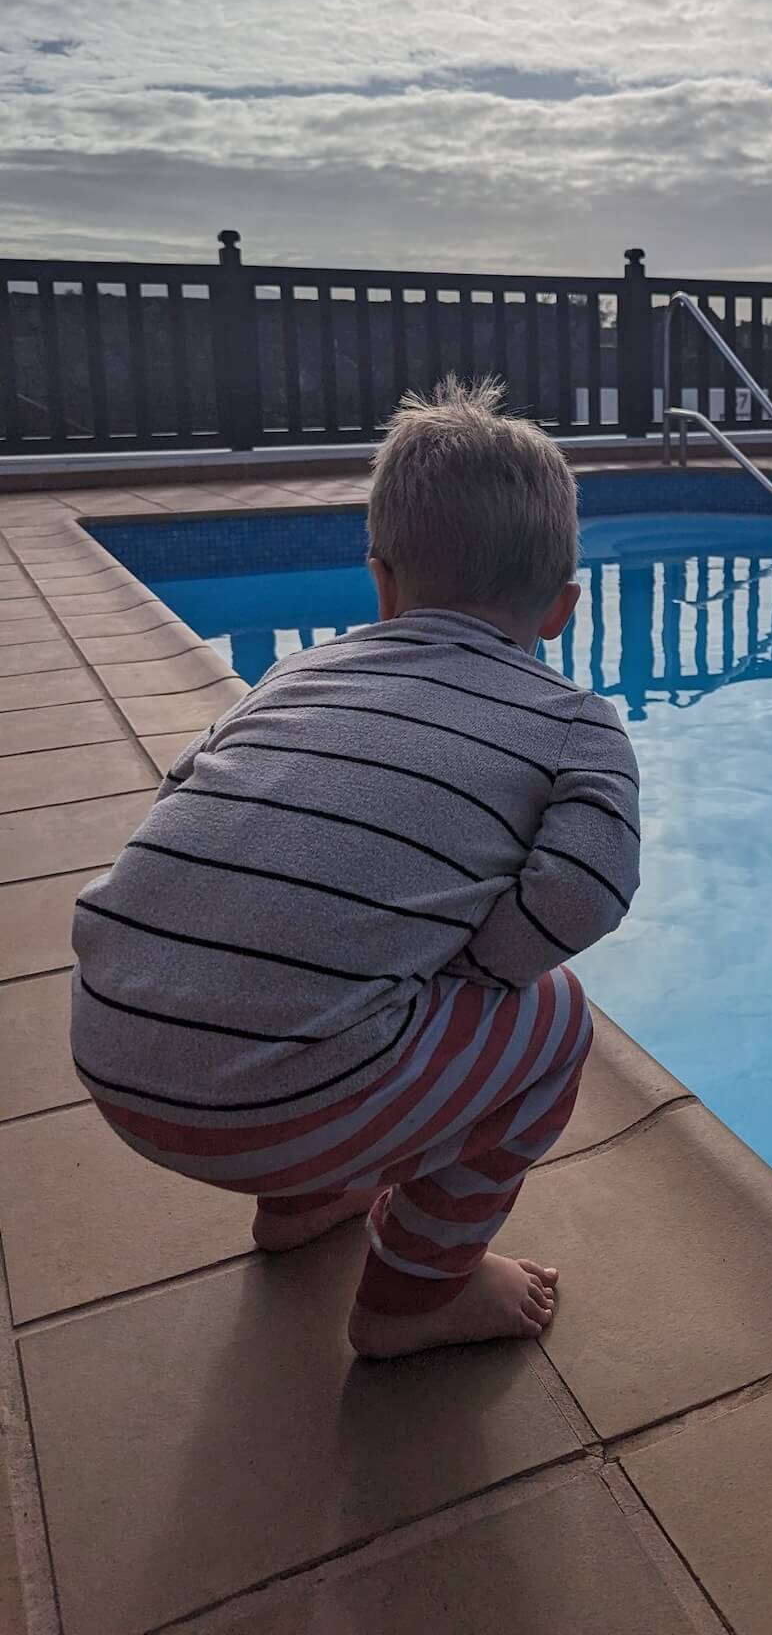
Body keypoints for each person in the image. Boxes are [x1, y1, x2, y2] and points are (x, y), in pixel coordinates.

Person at [70, 378, 640, 1359]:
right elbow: (585, 887)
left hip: (113, 1044)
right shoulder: (573, 719)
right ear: (561, 608)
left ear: (380, 582)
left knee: (309, 938)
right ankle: (416, 1296)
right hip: (278, 1104)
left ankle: (299, 1204)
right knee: (554, 1022)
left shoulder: (293, 674)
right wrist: (480, 965)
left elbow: (184, 797)